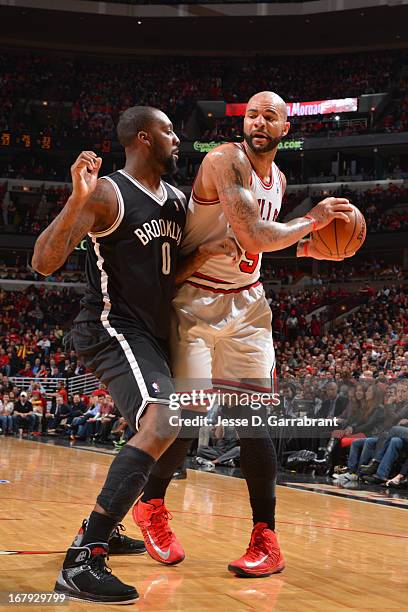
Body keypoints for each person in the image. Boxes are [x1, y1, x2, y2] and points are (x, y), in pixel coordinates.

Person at [134, 91, 354, 578]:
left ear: (285, 130)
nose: (258, 122)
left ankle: (265, 537)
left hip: (248, 306)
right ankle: (150, 504)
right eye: (252, 114)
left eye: (269, 116)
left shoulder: (278, 178)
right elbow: (253, 234)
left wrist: (307, 251)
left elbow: (251, 245)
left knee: (255, 420)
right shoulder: (225, 160)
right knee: (187, 418)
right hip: (195, 299)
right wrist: (313, 221)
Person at [32, 106, 222, 604]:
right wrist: (76, 201)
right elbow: (43, 261)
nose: (178, 138)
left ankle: (111, 524)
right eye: (169, 131)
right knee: (163, 419)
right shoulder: (108, 193)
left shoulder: (178, 201)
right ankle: (84, 555)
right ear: (143, 137)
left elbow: (175, 269)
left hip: (155, 334)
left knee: (181, 430)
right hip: (112, 327)